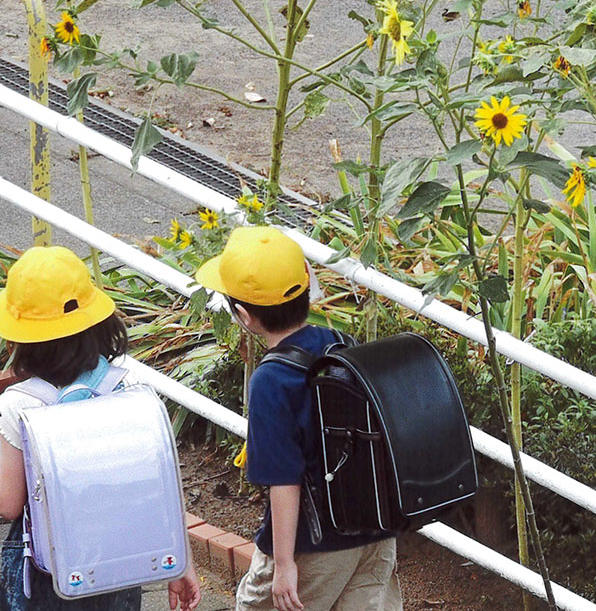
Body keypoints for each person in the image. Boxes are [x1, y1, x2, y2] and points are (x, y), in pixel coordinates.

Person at [194, 227, 401, 611]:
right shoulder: (341, 343)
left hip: (314, 542)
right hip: (374, 532)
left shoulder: (271, 381)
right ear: (308, 278)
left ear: (244, 316)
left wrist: (285, 564)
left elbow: (284, 481)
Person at [0, 246, 202, 611]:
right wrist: (180, 560)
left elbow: (11, 504)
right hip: (119, 559)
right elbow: (159, 482)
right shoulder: (128, 385)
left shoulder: (20, 402)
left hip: (51, 570)